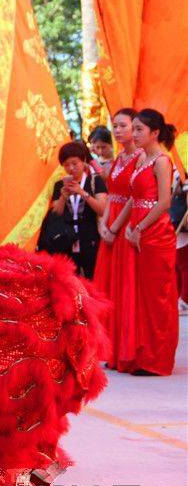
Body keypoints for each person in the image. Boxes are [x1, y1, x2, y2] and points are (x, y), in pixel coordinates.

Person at [120, 109, 179, 376]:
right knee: (140, 297)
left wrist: (140, 227)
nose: (135, 133)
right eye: (134, 128)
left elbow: (164, 202)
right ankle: (141, 354)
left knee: (158, 298)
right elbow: (133, 196)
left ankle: (158, 359)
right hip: (138, 229)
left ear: (155, 132)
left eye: (140, 129)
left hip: (155, 233)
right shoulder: (142, 157)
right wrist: (127, 226)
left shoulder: (162, 161)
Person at [93, 109, 140, 368]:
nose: (118, 130)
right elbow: (112, 194)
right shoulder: (121, 156)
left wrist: (114, 227)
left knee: (125, 288)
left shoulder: (141, 158)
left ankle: (126, 349)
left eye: (123, 125)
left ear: (136, 127)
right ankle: (111, 349)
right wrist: (105, 223)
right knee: (109, 288)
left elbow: (135, 198)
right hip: (111, 224)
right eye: (115, 125)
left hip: (125, 226)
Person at [48, 141, 108, 278]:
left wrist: (82, 192)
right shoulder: (59, 185)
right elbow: (56, 213)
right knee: (69, 282)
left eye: (75, 163)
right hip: (67, 240)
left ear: (84, 161)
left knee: (93, 278)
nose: (71, 168)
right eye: (66, 165)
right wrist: (63, 196)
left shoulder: (94, 181)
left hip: (90, 238)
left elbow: (102, 210)